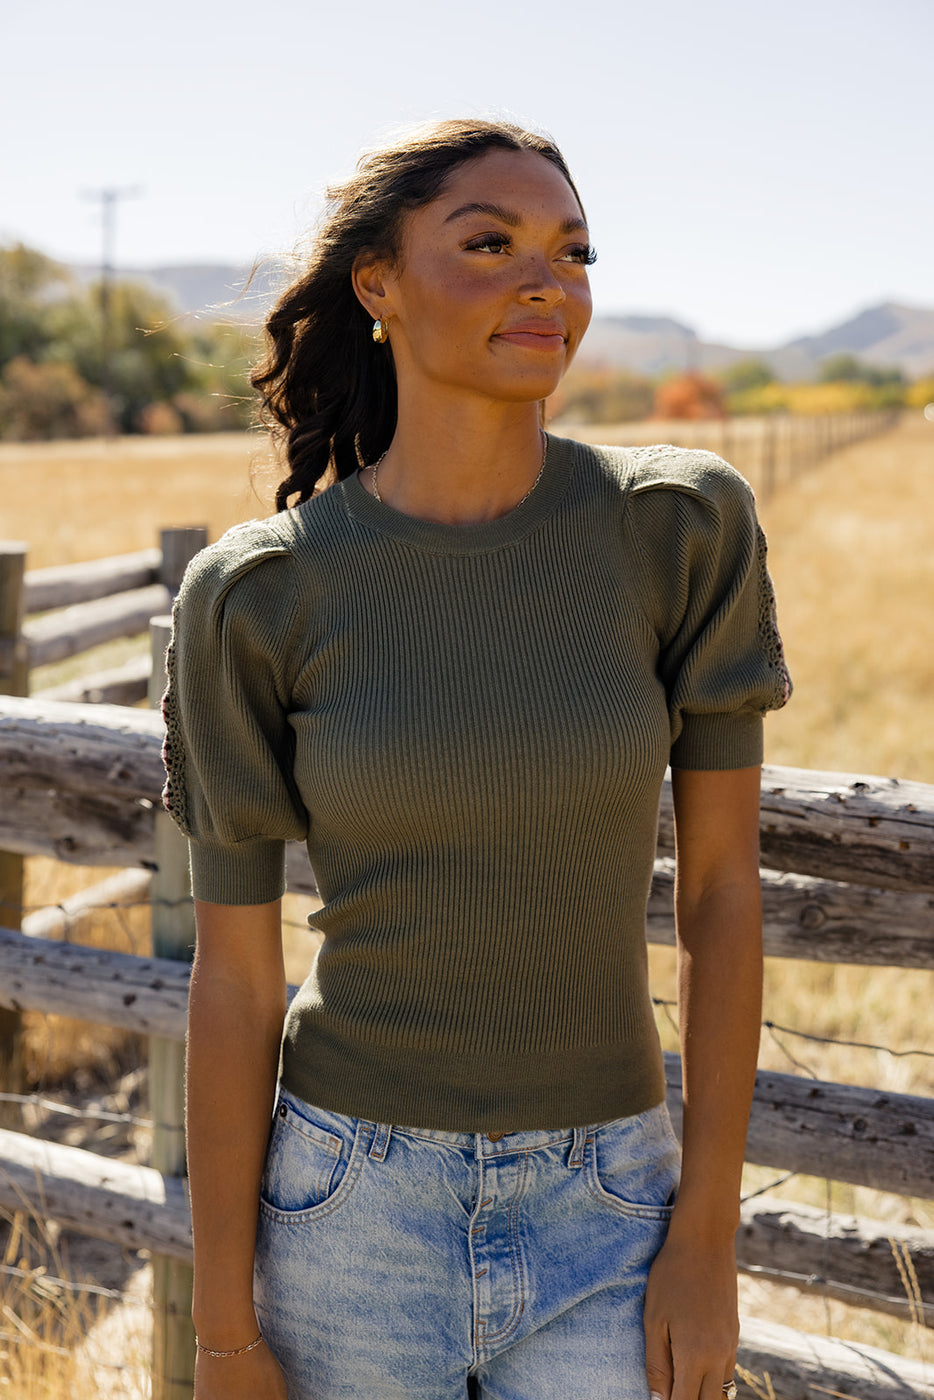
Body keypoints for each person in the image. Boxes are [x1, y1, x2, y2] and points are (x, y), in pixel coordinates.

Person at [162, 117, 791, 1400]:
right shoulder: (257, 597)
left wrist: (707, 1238)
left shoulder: (678, 527)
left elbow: (724, 895)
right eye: (489, 243)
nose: (544, 281)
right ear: (376, 284)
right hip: (347, 1212)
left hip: (612, 1209)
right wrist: (224, 1330)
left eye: (572, 251)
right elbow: (233, 980)